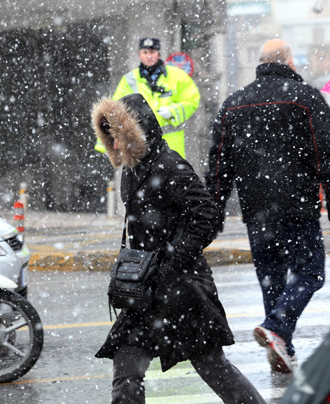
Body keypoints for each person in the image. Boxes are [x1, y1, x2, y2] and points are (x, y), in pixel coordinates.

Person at [92, 94, 265, 404]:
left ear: (134, 132)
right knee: (126, 363)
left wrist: (172, 260)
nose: (114, 146)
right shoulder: (132, 170)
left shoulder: (170, 165)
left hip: (182, 288)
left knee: (212, 366)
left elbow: (206, 215)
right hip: (147, 291)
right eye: (111, 139)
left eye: (117, 137)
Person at [205, 39, 330, 374]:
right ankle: (279, 329)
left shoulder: (233, 104)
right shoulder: (307, 98)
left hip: (257, 211)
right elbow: (327, 151)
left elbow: (219, 163)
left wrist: (216, 205)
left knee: (271, 278)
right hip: (298, 206)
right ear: (289, 61)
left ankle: (281, 350)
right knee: (310, 271)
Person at [95, 38, 200, 158]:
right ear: (139, 54)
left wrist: (173, 111)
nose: (149, 56)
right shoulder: (129, 80)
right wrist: (106, 145)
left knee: (171, 175)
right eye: (145, 52)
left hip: (173, 145)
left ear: (159, 54)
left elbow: (192, 99)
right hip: (141, 146)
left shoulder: (177, 76)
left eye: (152, 52)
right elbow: (113, 111)